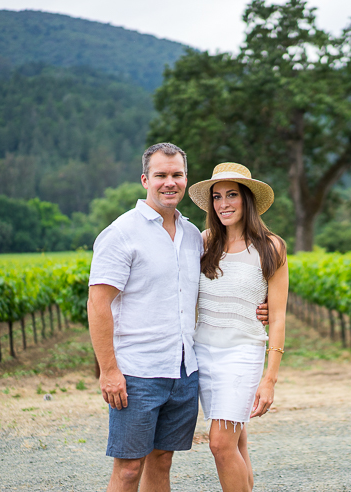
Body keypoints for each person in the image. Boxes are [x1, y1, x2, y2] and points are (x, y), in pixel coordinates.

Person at [87, 144, 268, 492]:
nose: (169, 183)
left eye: (177, 175)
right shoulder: (122, 233)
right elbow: (98, 303)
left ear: (185, 180)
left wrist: (264, 305)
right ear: (145, 180)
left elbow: (230, 279)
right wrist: (109, 370)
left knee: (162, 461)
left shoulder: (192, 237)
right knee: (127, 469)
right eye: (161, 175)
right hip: (137, 371)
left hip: (184, 372)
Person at [188, 162, 288, 492]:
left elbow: (278, 317)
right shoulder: (204, 243)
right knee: (236, 444)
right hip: (204, 353)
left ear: (247, 199)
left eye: (232, 195)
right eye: (217, 197)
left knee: (219, 444)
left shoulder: (271, 246)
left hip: (242, 353)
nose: (223, 204)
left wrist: (269, 379)